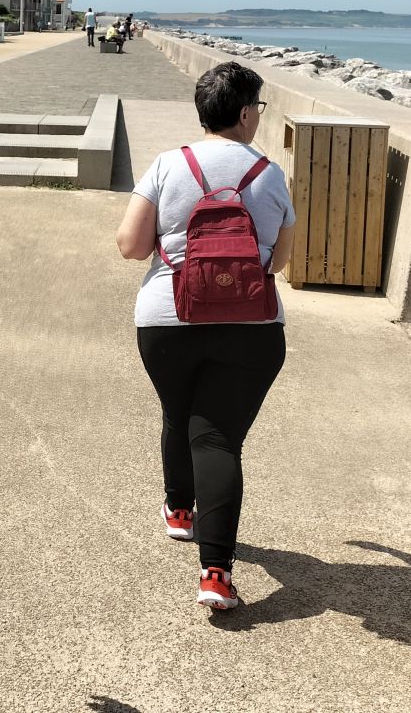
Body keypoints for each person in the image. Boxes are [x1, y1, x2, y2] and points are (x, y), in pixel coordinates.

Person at [114, 61, 295, 611]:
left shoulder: (169, 165)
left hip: (168, 323)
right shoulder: (270, 174)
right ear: (244, 113)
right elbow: (280, 264)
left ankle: (179, 511)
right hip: (251, 330)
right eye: (258, 109)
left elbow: (130, 246)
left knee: (178, 413)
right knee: (215, 438)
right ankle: (215, 574)